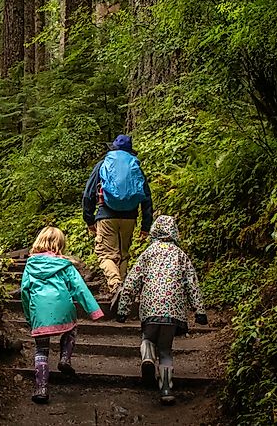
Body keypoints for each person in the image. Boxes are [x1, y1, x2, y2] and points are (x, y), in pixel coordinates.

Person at [116, 215, 208, 405]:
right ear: (174, 232)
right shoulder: (181, 255)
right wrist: (199, 311)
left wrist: (123, 309)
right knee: (166, 349)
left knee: (147, 338)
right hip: (173, 312)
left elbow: (132, 281)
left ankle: (148, 358)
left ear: (154, 231)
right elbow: (192, 284)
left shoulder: (148, 254)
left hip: (150, 308)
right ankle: (166, 389)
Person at [20, 226, 104, 404]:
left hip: (39, 310)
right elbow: (79, 288)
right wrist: (93, 311)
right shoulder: (65, 265)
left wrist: (29, 315)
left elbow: (24, 292)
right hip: (63, 307)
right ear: (60, 244)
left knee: (41, 349)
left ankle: (41, 388)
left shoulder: (30, 265)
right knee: (71, 329)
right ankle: (65, 358)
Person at [82, 134, 153, 296]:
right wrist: (146, 226)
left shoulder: (102, 165)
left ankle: (116, 285)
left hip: (106, 215)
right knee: (123, 254)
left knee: (106, 254)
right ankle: (122, 293)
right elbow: (146, 197)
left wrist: (89, 219)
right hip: (130, 217)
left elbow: (88, 194)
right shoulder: (135, 166)